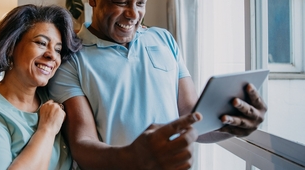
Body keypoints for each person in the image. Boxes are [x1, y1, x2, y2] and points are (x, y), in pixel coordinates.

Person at [48, 0, 267, 169]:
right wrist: (134, 157)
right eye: (122, 2)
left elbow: (191, 118)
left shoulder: (164, 40)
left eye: (140, 3)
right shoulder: (71, 57)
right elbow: (82, 144)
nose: (133, 14)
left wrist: (232, 124)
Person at [0, 4, 81, 170]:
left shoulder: (53, 100)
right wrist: (47, 130)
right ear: (10, 46)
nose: (52, 55)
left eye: (58, 49)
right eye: (41, 43)